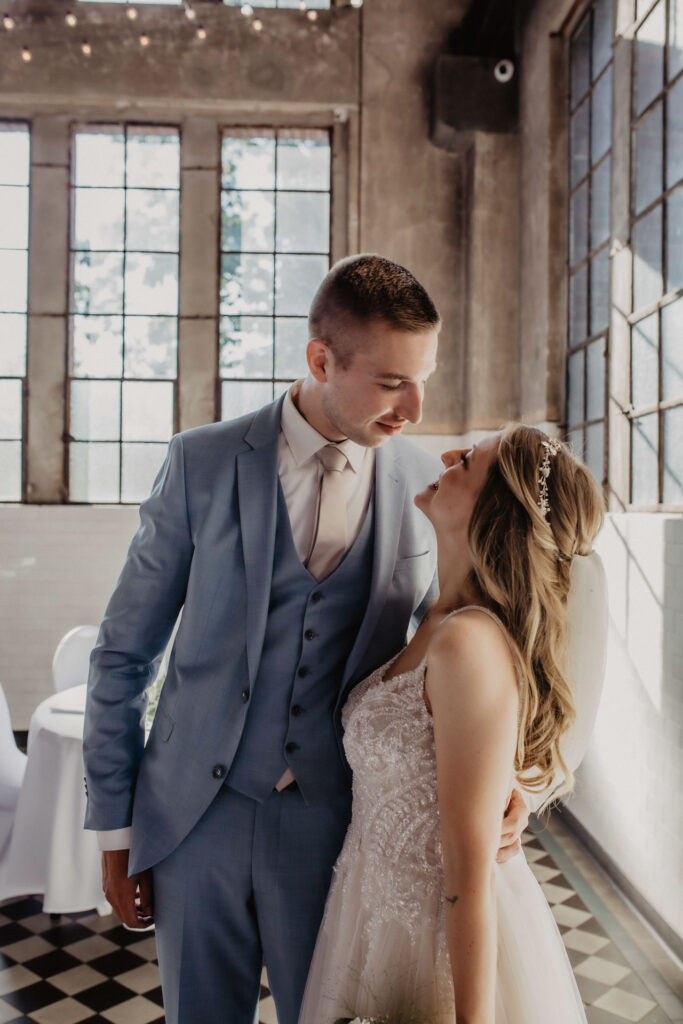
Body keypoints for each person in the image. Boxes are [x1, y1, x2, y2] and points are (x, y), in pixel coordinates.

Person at [82, 254, 530, 1024]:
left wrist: (503, 773)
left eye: (422, 377)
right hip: (194, 819)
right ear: (321, 359)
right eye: (391, 382)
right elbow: (124, 653)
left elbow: (453, 647)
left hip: (335, 824)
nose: (414, 407)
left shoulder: (421, 485)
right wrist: (117, 826)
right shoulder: (202, 461)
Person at [298, 424, 605, 1024]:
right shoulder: (434, 620)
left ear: (497, 509)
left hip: (440, 936)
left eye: (468, 459)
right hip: (371, 910)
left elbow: (468, 873)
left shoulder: (467, 641)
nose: (445, 455)